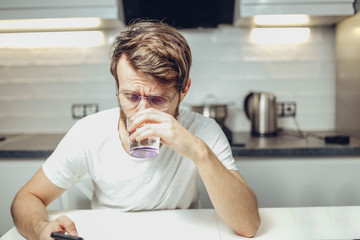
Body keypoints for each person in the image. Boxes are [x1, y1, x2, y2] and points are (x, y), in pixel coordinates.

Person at [11, 20, 260, 240]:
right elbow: (27, 197)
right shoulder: (89, 132)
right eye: (130, 96)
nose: (142, 111)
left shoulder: (202, 130)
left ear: (184, 91)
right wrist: (41, 230)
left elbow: (248, 225)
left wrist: (197, 151)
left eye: (158, 100)